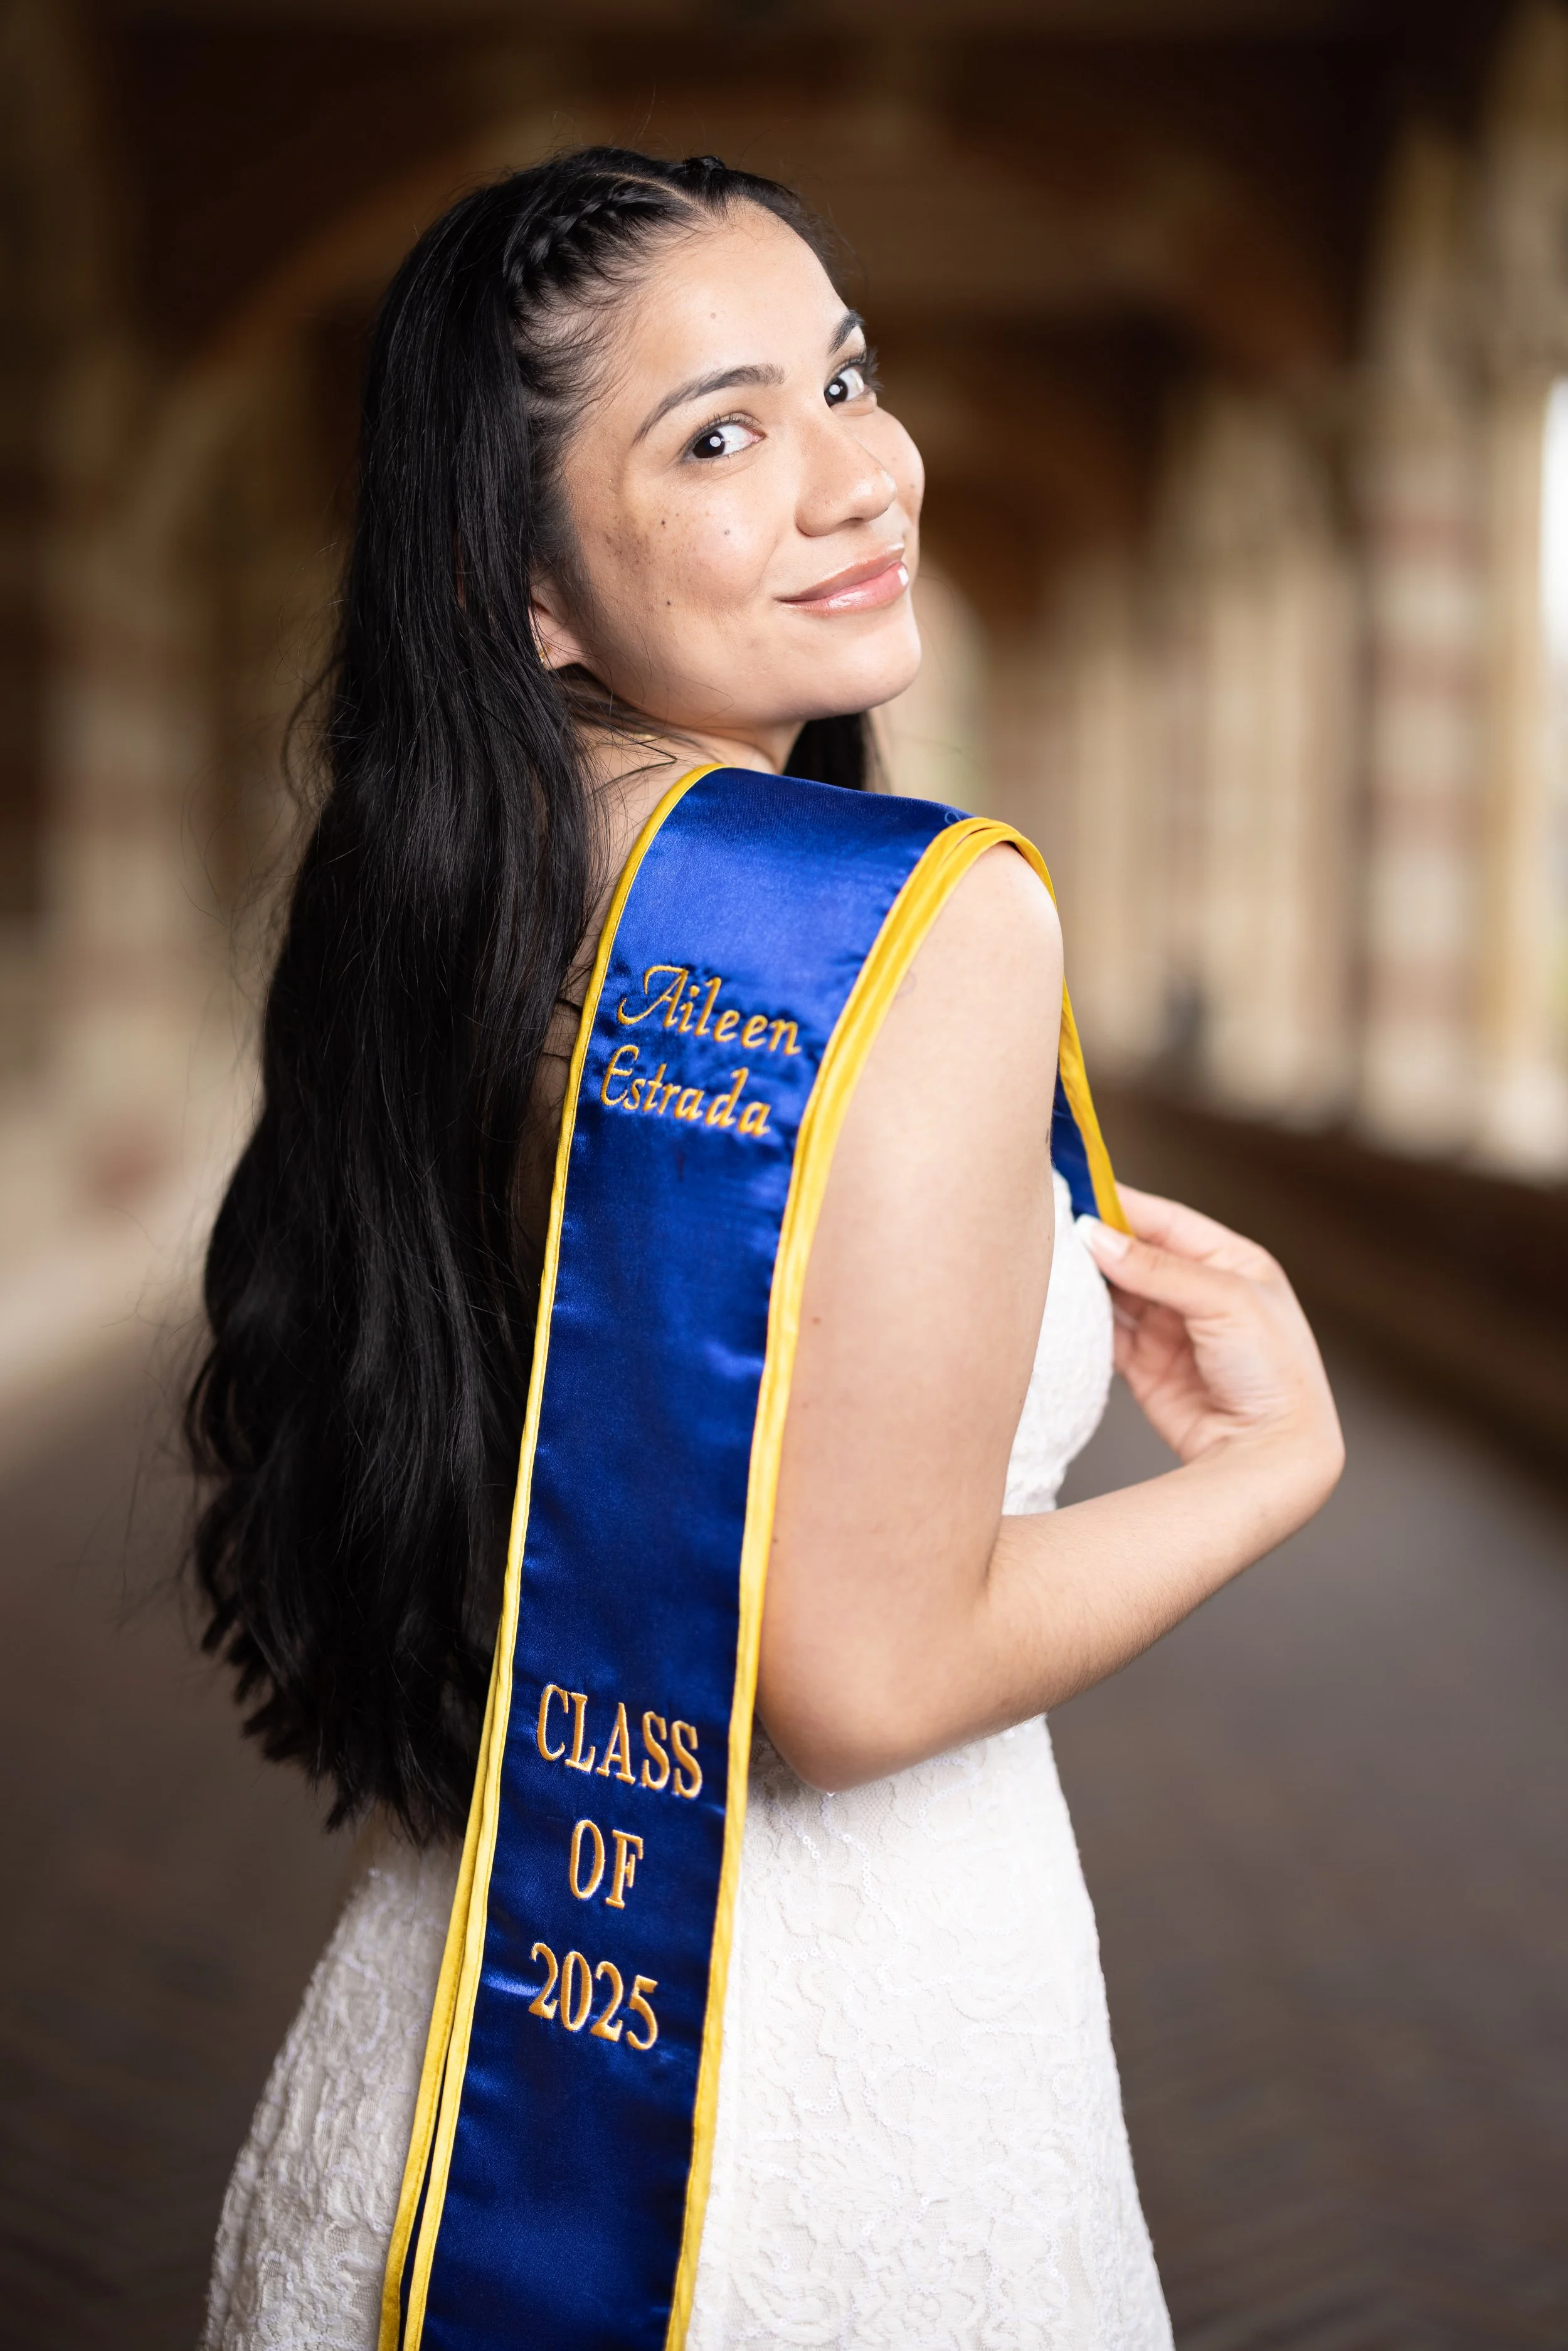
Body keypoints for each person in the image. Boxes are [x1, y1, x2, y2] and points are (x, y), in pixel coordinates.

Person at [191, 149, 1343, 2351]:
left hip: (439, 2081)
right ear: (525, 584)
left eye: (844, 376)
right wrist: (1260, 1476)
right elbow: (860, 1676)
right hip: (799, 2115)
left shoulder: (441, 907)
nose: (857, 476)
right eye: (717, 435)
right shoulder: (916, 922)